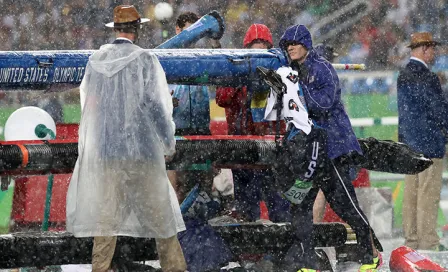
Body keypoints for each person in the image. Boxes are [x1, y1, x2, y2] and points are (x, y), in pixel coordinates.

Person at [65, 5, 186, 272]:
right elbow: (156, 106)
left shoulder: (97, 61)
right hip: (141, 154)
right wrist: (168, 143)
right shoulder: (144, 60)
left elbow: (90, 108)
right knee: (163, 219)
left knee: (105, 223)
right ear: (137, 29)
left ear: (115, 29)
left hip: (108, 154)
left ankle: (100, 268)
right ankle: (174, 268)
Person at [277, 24, 382, 272]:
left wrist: (298, 90)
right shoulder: (291, 71)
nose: (290, 47)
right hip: (308, 154)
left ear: (306, 44)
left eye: (294, 43)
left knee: (346, 206)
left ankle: (371, 255)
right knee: (301, 207)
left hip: (331, 150)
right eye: (286, 44)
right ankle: (308, 263)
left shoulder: (323, 68)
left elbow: (325, 105)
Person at [215, 23, 291, 223]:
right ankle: (252, 251)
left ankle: (280, 247)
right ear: (246, 50)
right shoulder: (233, 69)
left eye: (262, 50)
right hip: (242, 149)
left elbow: (288, 106)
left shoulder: (279, 73)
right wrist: (240, 78)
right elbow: (222, 99)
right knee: (246, 209)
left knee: (278, 207)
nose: (258, 56)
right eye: (254, 50)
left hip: (270, 148)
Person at [397, 32, 447, 251]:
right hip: (429, 142)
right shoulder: (428, 77)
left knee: (411, 195)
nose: (434, 53)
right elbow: (437, 110)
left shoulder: (403, 74)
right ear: (425, 49)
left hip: (410, 144)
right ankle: (428, 241)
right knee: (428, 195)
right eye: (432, 49)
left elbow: (404, 113)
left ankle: (412, 240)